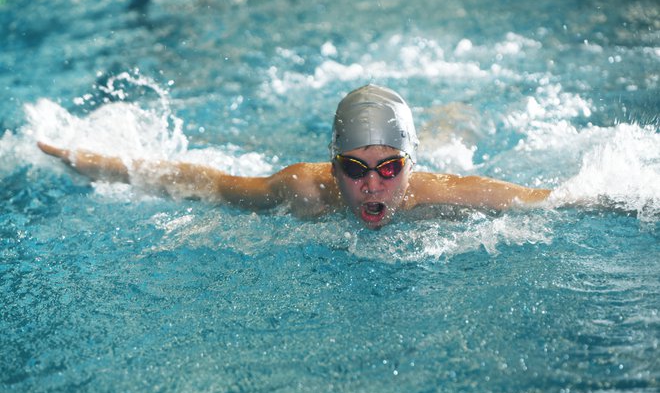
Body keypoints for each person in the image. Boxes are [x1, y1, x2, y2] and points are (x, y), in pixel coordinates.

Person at [38, 84, 551, 229]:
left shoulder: (441, 195)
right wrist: (101, 164)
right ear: (333, 166)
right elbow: (211, 183)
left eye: (390, 167)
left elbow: (546, 199)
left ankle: (452, 116)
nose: (373, 186)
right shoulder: (303, 189)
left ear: (409, 167)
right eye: (355, 168)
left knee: (451, 133)